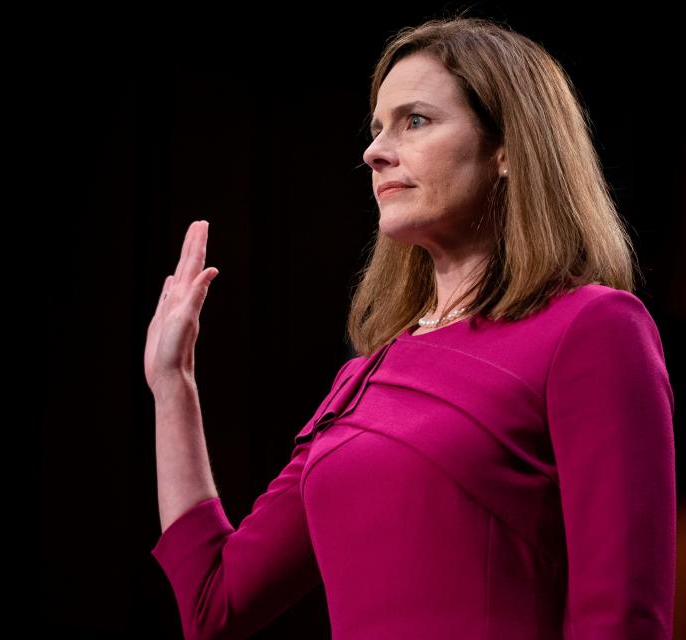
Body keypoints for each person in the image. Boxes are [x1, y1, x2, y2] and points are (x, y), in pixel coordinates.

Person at [144, 16, 675, 640]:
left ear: (507, 147)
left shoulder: (592, 328)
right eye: (376, 128)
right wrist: (172, 383)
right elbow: (215, 603)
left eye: (414, 120)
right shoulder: (362, 379)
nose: (374, 151)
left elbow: (622, 620)